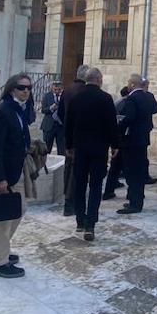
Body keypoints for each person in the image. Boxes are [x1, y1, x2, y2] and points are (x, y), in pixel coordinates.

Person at [0, 73, 32, 278]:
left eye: (28, 87)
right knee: (5, 218)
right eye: (22, 87)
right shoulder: (2, 112)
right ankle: (0, 264)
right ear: (12, 89)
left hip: (15, 170)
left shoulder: (18, 110)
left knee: (20, 209)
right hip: (4, 174)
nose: (26, 91)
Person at [65, 68, 118, 240]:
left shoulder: (76, 98)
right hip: (98, 149)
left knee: (80, 184)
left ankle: (80, 220)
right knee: (95, 186)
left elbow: (69, 123)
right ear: (99, 80)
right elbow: (112, 124)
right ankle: (90, 225)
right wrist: (115, 145)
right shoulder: (106, 98)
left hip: (80, 148)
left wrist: (69, 145)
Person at [117, 74, 156, 214]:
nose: (127, 84)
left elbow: (130, 118)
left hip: (132, 140)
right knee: (139, 171)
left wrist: (119, 125)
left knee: (131, 172)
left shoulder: (132, 98)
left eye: (128, 82)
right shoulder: (147, 96)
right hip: (143, 139)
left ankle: (135, 203)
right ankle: (136, 201)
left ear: (132, 84)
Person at [60, 65, 90, 217]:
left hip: (68, 135)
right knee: (77, 171)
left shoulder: (67, 89)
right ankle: (71, 203)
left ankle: (67, 199)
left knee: (69, 168)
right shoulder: (84, 91)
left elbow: (60, 113)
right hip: (82, 137)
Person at [102, 86, 130, 200]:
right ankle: (132, 193)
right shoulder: (124, 103)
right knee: (125, 166)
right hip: (122, 138)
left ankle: (109, 190)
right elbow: (120, 120)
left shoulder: (119, 102)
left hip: (117, 138)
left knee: (115, 166)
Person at [140, 77, 157, 185]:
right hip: (145, 128)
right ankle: (145, 176)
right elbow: (156, 109)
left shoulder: (133, 95)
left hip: (135, 130)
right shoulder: (148, 96)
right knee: (143, 153)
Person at [40, 81, 65, 155]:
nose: (57, 91)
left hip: (61, 126)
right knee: (47, 149)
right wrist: (51, 108)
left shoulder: (65, 96)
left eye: (59, 90)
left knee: (62, 149)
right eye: (55, 90)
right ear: (52, 88)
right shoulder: (47, 96)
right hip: (49, 125)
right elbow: (43, 110)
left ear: (62, 88)